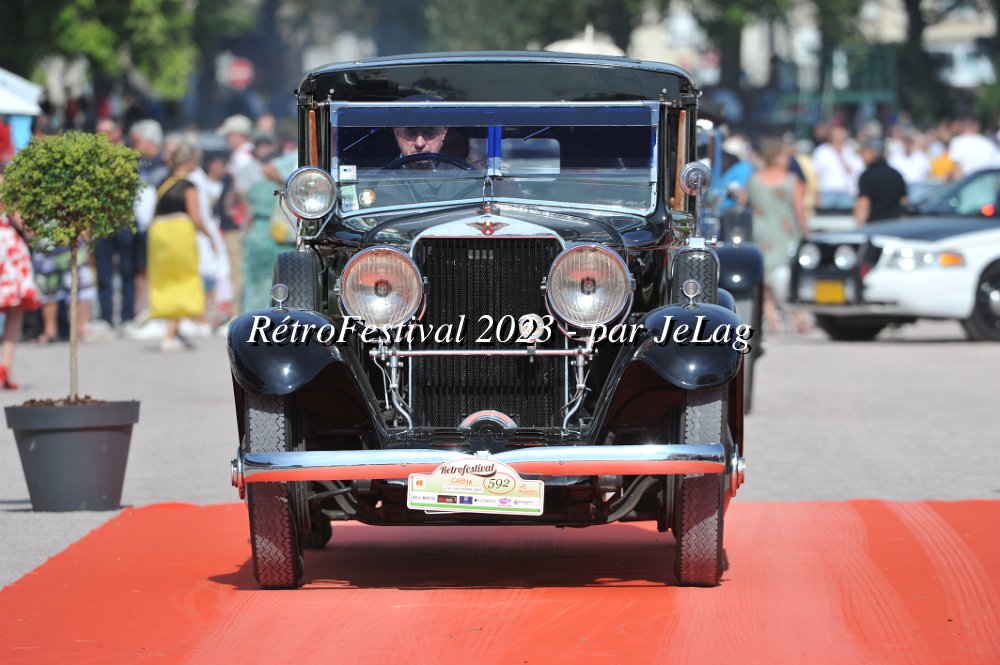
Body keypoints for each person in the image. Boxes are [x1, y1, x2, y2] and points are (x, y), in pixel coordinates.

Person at [148, 138, 217, 352]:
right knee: (184, 279)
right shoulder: (188, 185)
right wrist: (210, 237)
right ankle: (170, 334)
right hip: (180, 234)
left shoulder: (163, 182)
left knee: (165, 280)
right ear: (189, 161)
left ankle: (174, 330)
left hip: (159, 235)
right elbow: (196, 217)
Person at [741, 140, 809, 332]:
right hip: (784, 232)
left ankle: (770, 316)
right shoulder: (791, 180)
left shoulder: (754, 179)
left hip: (760, 232)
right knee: (787, 274)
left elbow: (742, 201)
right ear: (777, 157)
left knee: (765, 275)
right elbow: (799, 209)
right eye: (786, 156)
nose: (789, 159)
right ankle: (795, 316)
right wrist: (805, 232)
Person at [93, 117, 138, 334]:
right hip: (102, 222)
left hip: (124, 220)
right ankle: (106, 317)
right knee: (104, 272)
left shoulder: (130, 155)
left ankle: (128, 316)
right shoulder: (95, 158)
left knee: (128, 270)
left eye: (106, 132)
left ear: (117, 132)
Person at [0, 166, 41, 388]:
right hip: (6, 247)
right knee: (15, 310)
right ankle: (4, 367)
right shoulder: (4, 182)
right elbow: (25, 225)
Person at [855, 139, 908, 225]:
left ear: (872, 153)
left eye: (864, 152)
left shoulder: (867, 176)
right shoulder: (896, 174)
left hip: (875, 226)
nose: (862, 156)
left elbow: (864, 203)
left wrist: (858, 226)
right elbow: (904, 202)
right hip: (895, 225)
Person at [811, 126, 864, 209]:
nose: (839, 140)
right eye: (836, 138)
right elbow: (815, 174)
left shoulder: (850, 152)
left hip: (846, 193)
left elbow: (855, 171)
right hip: (826, 193)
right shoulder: (821, 152)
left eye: (842, 138)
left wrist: (840, 155)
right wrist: (816, 194)